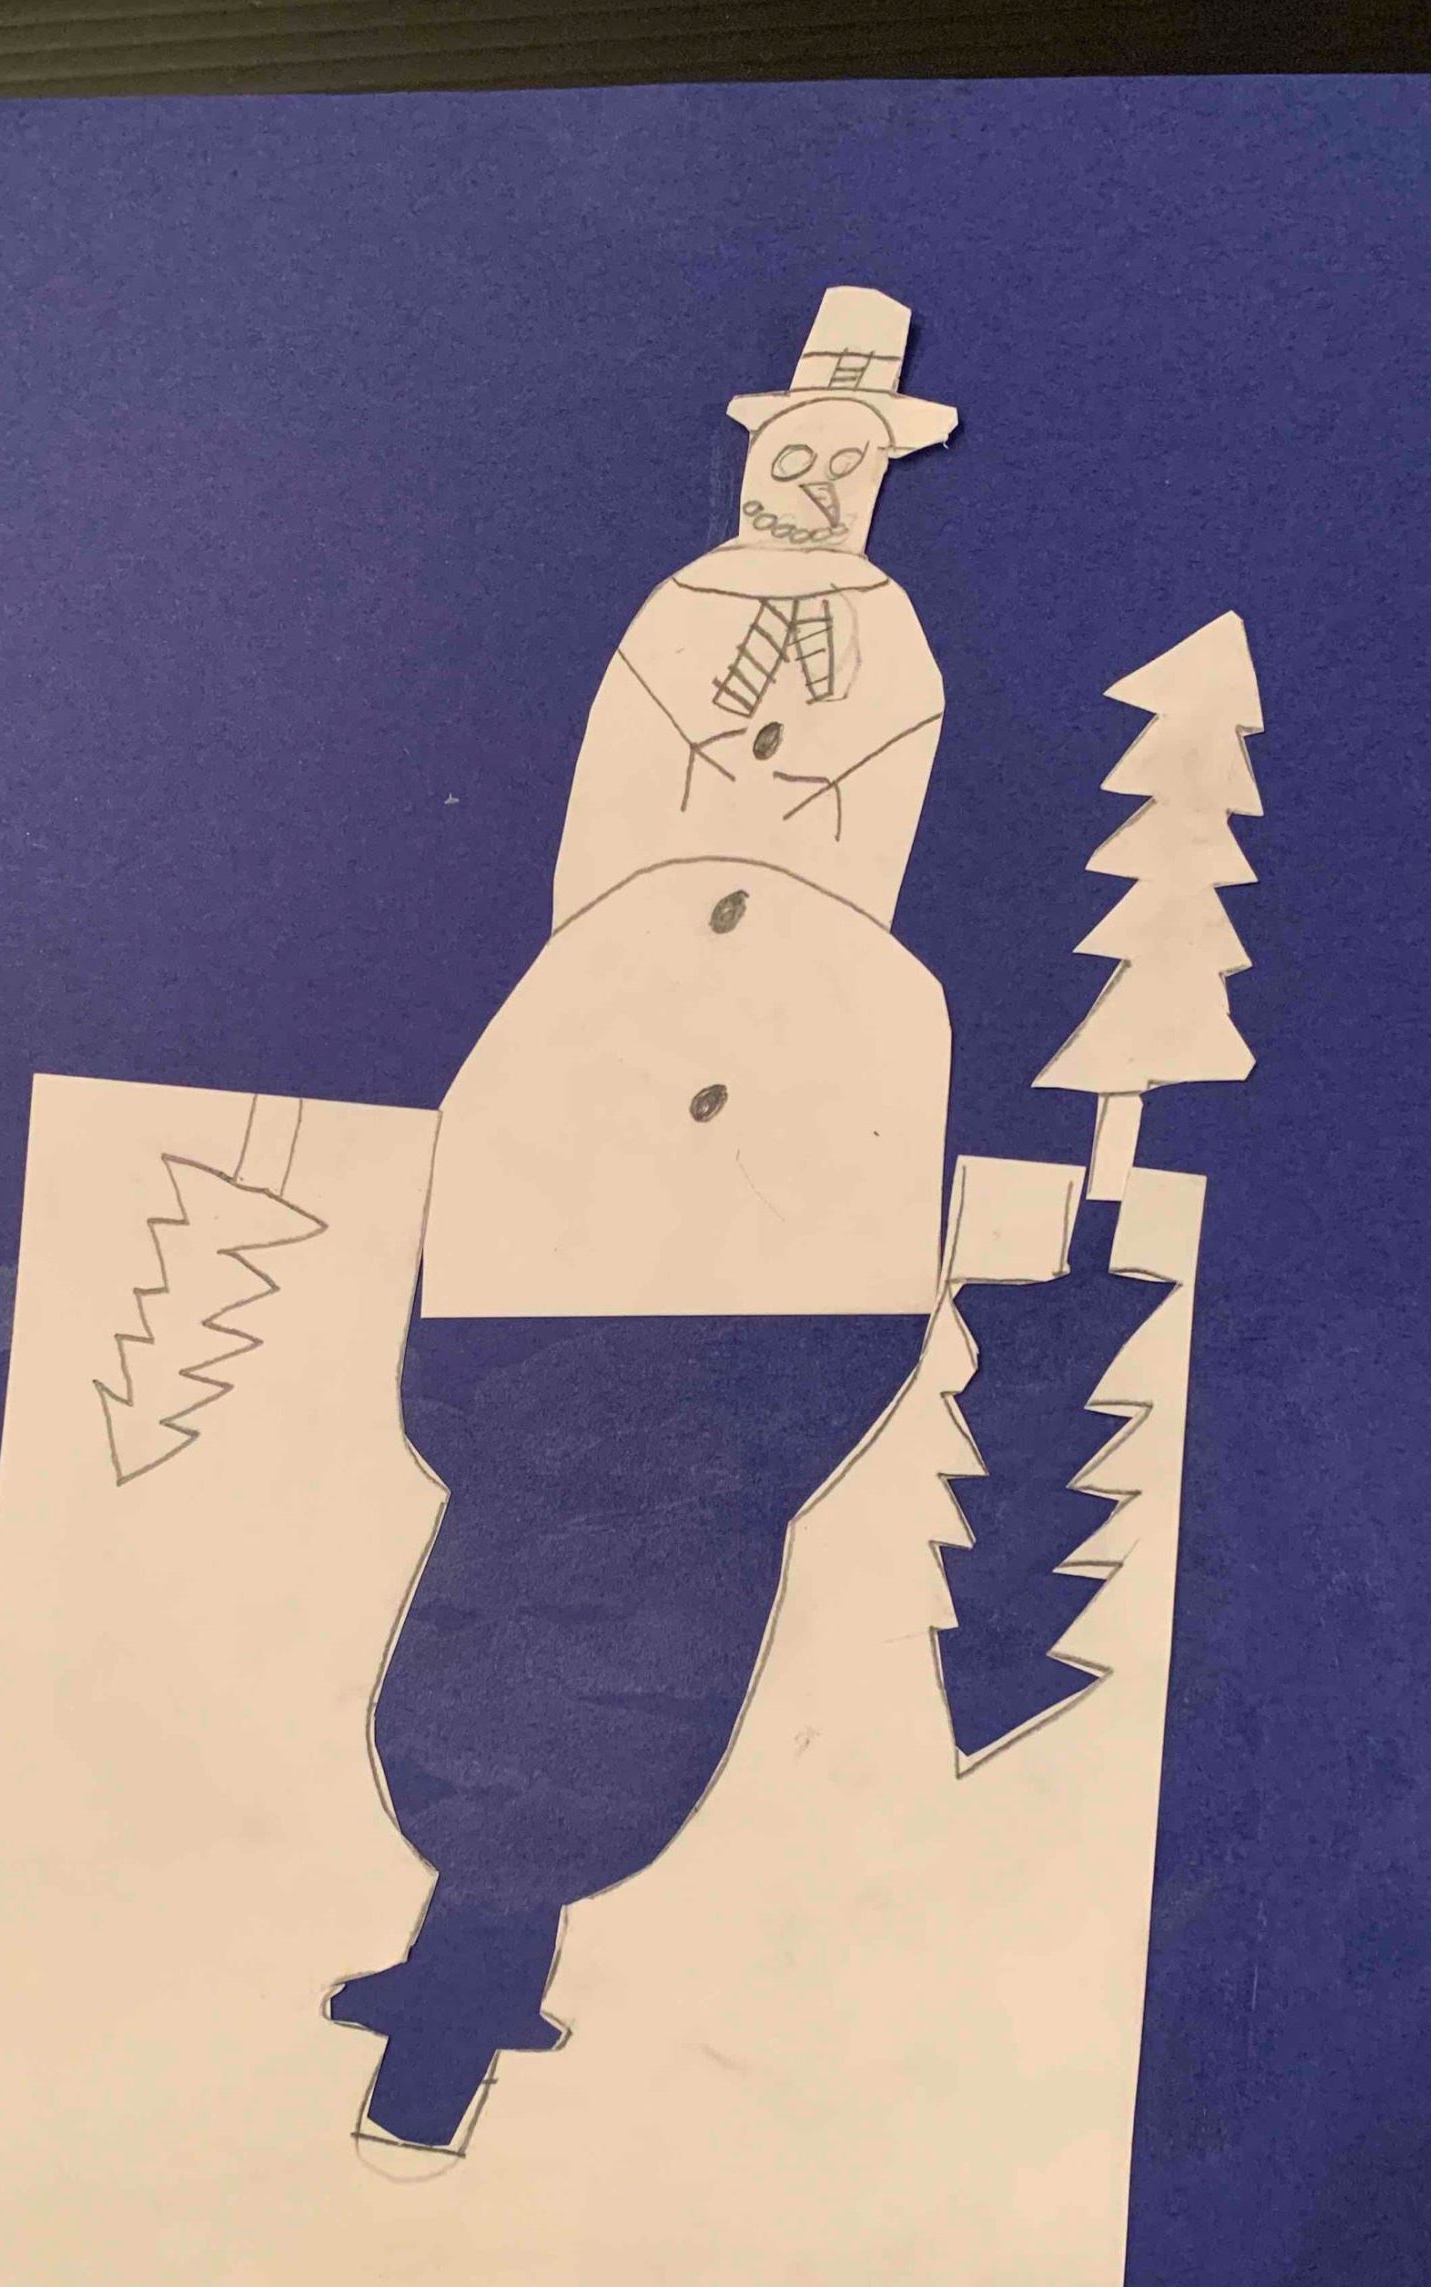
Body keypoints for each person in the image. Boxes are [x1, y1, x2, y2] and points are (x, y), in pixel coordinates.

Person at [329, 290, 961, 2155]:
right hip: (651, 1249)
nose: (816, 483)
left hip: (664, 1275)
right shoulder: (687, 614)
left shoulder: (888, 647)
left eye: (845, 460)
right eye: (800, 454)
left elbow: (620, 1539)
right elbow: (628, 782)